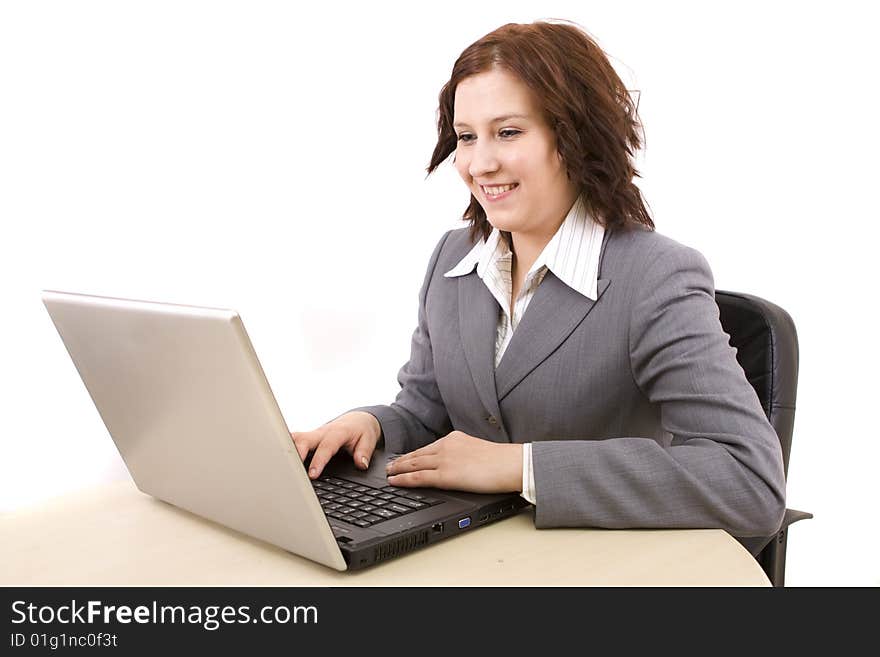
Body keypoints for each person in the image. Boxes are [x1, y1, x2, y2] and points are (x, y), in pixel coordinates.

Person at [290, 19, 786, 551]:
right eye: (465, 137)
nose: (480, 163)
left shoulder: (654, 277)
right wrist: (372, 425)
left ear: (574, 138)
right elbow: (427, 412)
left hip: (602, 569)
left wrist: (520, 467)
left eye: (508, 132)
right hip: (480, 557)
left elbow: (748, 480)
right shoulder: (453, 259)